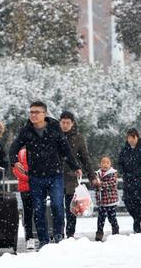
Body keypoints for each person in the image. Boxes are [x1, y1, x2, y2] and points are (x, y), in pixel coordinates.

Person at [9, 101, 82, 249]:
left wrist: (75, 167)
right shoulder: (26, 130)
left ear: (45, 114)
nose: (33, 115)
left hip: (55, 174)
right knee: (39, 208)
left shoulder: (55, 127)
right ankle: (43, 241)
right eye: (31, 112)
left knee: (57, 204)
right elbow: (14, 147)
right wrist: (14, 161)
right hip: (35, 176)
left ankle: (59, 235)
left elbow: (65, 148)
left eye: (37, 112)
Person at [59, 111, 97, 238]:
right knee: (56, 208)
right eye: (63, 122)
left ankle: (70, 235)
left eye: (67, 123)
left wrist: (92, 177)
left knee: (71, 209)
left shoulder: (78, 138)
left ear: (72, 123)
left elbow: (85, 159)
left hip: (71, 178)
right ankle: (58, 233)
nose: (65, 125)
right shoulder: (55, 136)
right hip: (55, 177)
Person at [118, 128, 141, 233]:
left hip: (140, 180)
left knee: (137, 203)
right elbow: (120, 162)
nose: (130, 140)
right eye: (129, 138)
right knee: (127, 201)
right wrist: (122, 172)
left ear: (137, 137)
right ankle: (136, 219)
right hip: (128, 180)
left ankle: (137, 226)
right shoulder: (125, 149)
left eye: (132, 137)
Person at [12, 147, 37, 250]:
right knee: (29, 214)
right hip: (27, 188)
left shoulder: (35, 150)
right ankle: (29, 237)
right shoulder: (21, 153)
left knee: (36, 213)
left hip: (34, 187)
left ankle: (36, 237)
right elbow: (16, 170)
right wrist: (31, 179)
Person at [94, 156, 119, 242]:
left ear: (110, 164)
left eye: (107, 162)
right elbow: (94, 184)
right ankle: (99, 234)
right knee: (100, 219)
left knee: (112, 218)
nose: (105, 164)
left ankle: (115, 232)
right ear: (100, 164)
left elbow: (112, 183)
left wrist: (101, 184)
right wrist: (95, 184)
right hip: (101, 201)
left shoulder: (113, 173)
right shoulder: (97, 174)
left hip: (110, 200)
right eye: (103, 162)